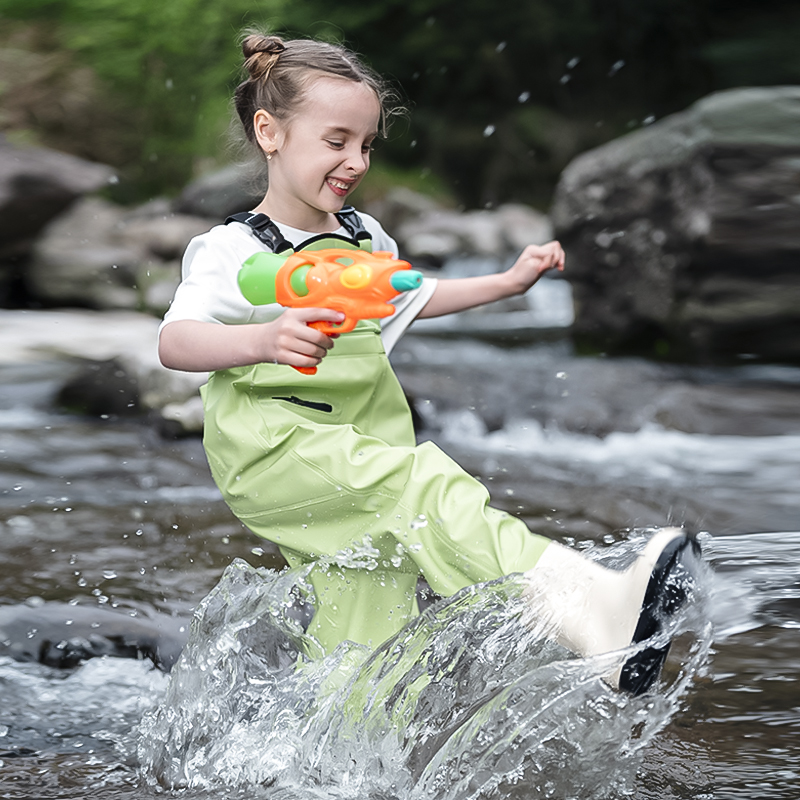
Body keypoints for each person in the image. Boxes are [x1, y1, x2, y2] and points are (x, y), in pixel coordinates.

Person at [158, 32, 699, 695]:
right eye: (336, 142)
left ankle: (335, 756)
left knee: (367, 617)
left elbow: (413, 297)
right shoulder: (230, 250)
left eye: (366, 145)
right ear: (270, 133)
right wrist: (263, 340)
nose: (355, 160)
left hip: (356, 443)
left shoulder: (365, 237)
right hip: (276, 448)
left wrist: (505, 283)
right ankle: (589, 611)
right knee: (425, 492)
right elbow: (176, 342)